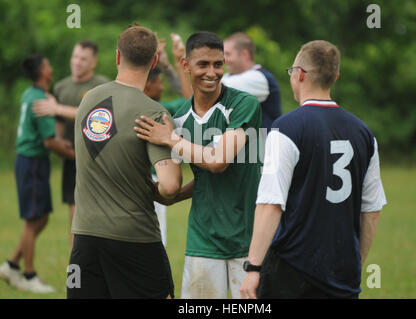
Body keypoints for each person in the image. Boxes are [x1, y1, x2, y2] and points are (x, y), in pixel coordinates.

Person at [240, 40, 387, 299]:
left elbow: (270, 204)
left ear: (300, 74)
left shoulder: (287, 128)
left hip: (292, 268)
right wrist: (356, 263)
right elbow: (371, 210)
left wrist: (253, 267)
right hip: (342, 269)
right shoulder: (364, 133)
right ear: (336, 76)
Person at [134, 31, 262, 299]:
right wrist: (159, 194)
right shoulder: (179, 117)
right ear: (186, 65)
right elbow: (200, 180)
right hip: (203, 240)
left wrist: (170, 139)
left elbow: (217, 162)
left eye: (218, 64)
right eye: (203, 64)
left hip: (248, 239)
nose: (212, 72)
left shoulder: (243, 104)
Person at [67, 25, 182, 299]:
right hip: (135, 238)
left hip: (84, 236)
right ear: (154, 61)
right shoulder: (153, 112)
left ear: (117, 57)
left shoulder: (88, 100)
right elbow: (168, 186)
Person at [0, 54, 75, 293]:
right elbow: (50, 142)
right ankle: (29, 275)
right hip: (32, 163)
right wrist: (78, 155)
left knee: (40, 218)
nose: (51, 68)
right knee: (34, 220)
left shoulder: (30, 93)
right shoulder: (40, 100)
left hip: (29, 162)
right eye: (49, 64)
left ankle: (11, 265)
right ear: (43, 71)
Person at [32, 40, 108, 246]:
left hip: (97, 158)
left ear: (94, 63)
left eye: (83, 59)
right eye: (75, 56)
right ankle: (77, 270)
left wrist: (57, 108)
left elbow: (96, 117)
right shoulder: (60, 87)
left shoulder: (101, 85)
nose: (77, 62)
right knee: (76, 215)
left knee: (101, 214)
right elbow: (56, 124)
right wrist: (55, 143)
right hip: (72, 160)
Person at [222, 32, 281, 132]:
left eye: (228, 54)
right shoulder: (228, 76)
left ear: (245, 55)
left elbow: (213, 89)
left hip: (263, 145)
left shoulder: (259, 78)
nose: (223, 59)